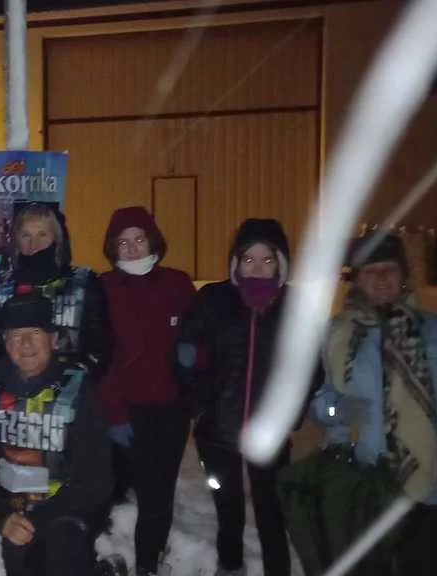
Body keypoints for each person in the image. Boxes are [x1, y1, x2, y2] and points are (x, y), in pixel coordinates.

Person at [0, 202, 108, 575]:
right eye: (26, 234)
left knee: (64, 532)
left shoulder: (82, 281)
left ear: (57, 238)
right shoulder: (3, 284)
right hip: (13, 393)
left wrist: (67, 380)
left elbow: (101, 341)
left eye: (43, 234)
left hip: (66, 397)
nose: (34, 242)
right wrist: (8, 381)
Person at [310, 234, 437, 576]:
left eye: (390, 268)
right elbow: (321, 404)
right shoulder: (337, 333)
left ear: (404, 274)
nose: (381, 277)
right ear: (356, 278)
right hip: (363, 481)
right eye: (370, 270)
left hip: (431, 482)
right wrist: (338, 412)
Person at [176, 218, 300, 576]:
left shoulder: (293, 306)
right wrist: (199, 403)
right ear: (236, 262)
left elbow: (310, 366)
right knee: (228, 507)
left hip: (270, 434)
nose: (257, 268)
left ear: (280, 263)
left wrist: (292, 413)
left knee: (271, 510)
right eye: (249, 259)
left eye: (267, 259)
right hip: (218, 432)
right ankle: (230, 566)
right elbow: (186, 351)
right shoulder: (213, 299)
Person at [98, 207, 195, 576]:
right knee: (119, 490)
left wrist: (193, 353)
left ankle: (150, 562)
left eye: (139, 239)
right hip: (127, 410)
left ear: (153, 241)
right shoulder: (104, 289)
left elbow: (200, 333)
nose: (133, 249)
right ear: (113, 248)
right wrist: (114, 414)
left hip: (170, 411)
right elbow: (102, 357)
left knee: (160, 494)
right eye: (123, 243)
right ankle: (117, 557)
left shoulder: (177, 284)